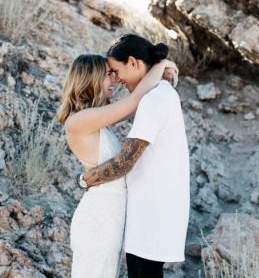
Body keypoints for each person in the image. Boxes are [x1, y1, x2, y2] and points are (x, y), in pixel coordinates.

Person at [56, 51, 178, 278]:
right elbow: (133, 101)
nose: (114, 80)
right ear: (89, 79)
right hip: (98, 219)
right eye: (107, 75)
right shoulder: (78, 121)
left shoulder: (95, 117)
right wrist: (160, 65)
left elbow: (137, 106)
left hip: (111, 217)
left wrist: (160, 75)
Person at [79, 34, 191, 278]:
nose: (116, 80)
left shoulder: (154, 100)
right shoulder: (162, 93)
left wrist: (86, 180)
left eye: (116, 71)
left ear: (133, 62)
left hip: (150, 216)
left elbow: (124, 162)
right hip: (156, 211)